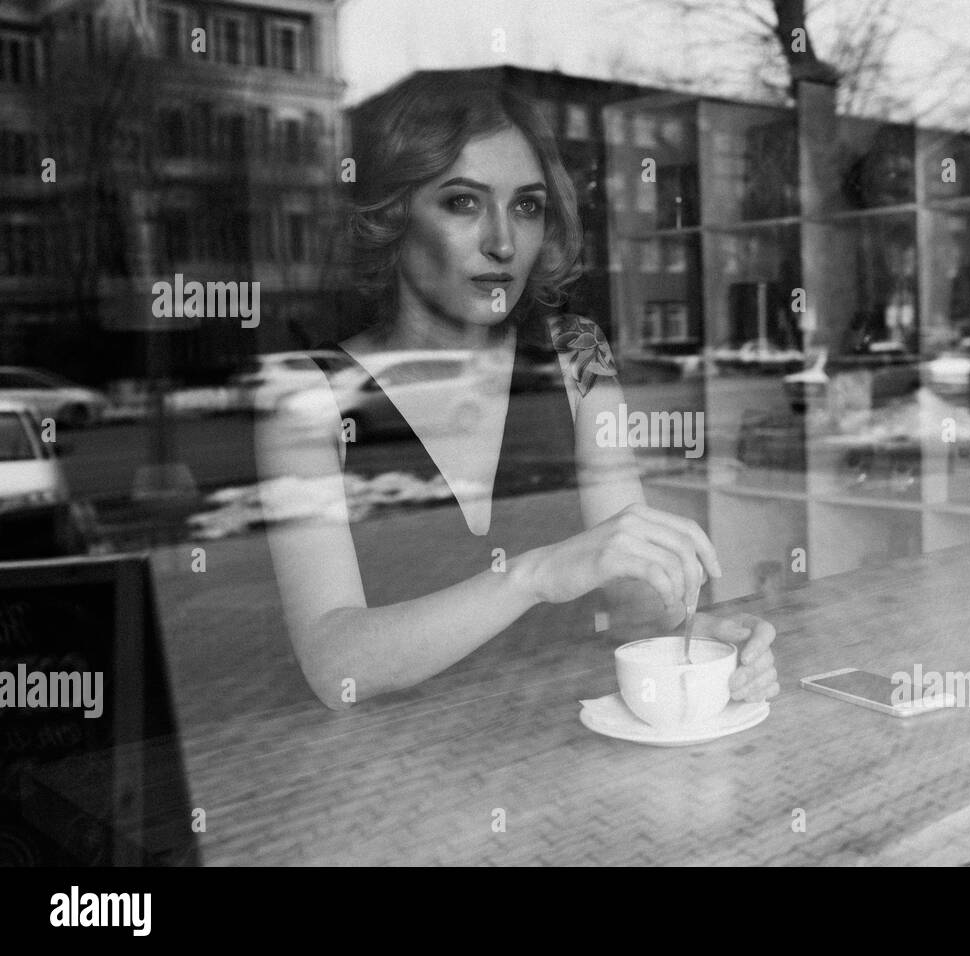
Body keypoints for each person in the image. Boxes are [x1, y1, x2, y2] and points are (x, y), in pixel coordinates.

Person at [255, 76, 779, 711]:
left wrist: (696, 639)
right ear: (392, 215)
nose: (502, 242)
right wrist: (535, 575)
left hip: (557, 743)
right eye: (463, 203)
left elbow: (631, 600)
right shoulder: (305, 396)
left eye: (527, 207)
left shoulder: (576, 356)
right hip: (392, 777)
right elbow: (335, 663)